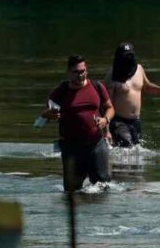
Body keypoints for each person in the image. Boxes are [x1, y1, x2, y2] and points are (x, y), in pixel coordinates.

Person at [41, 54, 115, 192]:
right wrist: (50, 114)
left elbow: (110, 108)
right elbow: (44, 114)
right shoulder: (61, 91)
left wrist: (105, 120)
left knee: (103, 189)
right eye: (76, 72)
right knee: (71, 191)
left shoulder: (97, 86)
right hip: (71, 148)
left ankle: (100, 214)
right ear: (69, 72)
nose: (80, 75)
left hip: (97, 145)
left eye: (83, 71)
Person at [104, 42, 160, 147]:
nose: (128, 59)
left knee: (136, 151)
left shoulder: (139, 69)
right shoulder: (111, 76)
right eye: (125, 57)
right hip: (119, 121)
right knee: (127, 148)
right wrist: (106, 131)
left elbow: (147, 87)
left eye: (130, 56)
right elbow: (107, 105)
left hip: (136, 121)